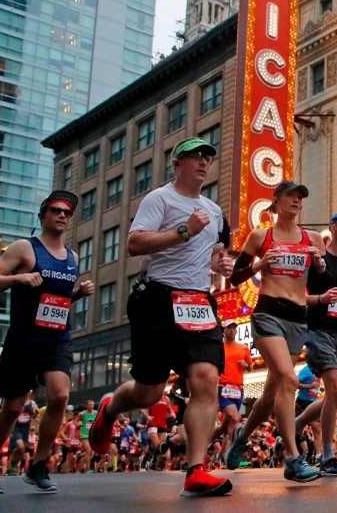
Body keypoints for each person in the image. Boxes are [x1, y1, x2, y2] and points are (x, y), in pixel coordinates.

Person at [88, 137, 235, 497]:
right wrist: (183, 230)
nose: (203, 162)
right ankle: (110, 409)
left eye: (207, 158)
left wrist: (221, 263)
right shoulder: (160, 199)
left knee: (206, 379)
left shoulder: (214, 211)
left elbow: (214, 253)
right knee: (150, 391)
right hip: (157, 297)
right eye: (195, 157)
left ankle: (196, 469)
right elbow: (135, 244)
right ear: (177, 163)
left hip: (198, 301)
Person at [0, 189, 94, 494]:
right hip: (23, 339)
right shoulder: (24, 249)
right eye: (55, 210)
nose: (62, 216)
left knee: (58, 396)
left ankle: (39, 464)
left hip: (57, 338)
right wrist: (18, 278)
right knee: (13, 408)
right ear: (43, 216)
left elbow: (58, 299)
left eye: (67, 212)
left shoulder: (73, 257)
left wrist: (77, 294)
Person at [225, 180, 327, 483]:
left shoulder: (312, 239)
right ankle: (293, 459)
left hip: (298, 317)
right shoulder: (260, 237)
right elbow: (234, 277)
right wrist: (259, 266)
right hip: (268, 313)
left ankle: (242, 435)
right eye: (291, 196)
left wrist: (320, 263)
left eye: (300, 197)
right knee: (287, 380)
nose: (296, 201)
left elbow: (321, 278)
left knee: (270, 395)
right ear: (276, 202)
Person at [290, 211, 337, 476]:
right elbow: (298, 296)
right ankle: (327, 456)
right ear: (333, 228)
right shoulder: (316, 260)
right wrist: (321, 299)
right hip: (318, 331)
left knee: (335, 395)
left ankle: (297, 423)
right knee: (334, 387)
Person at [216, 321, 251, 457]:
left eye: (234, 328)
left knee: (227, 425)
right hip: (223, 387)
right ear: (223, 331)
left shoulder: (243, 348)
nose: (232, 330)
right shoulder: (219, 347)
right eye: (229, 328)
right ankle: (234, 452)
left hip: (238, 389)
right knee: (235, 418)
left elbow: (250, 367)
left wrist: (246, 365)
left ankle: (222, 453)